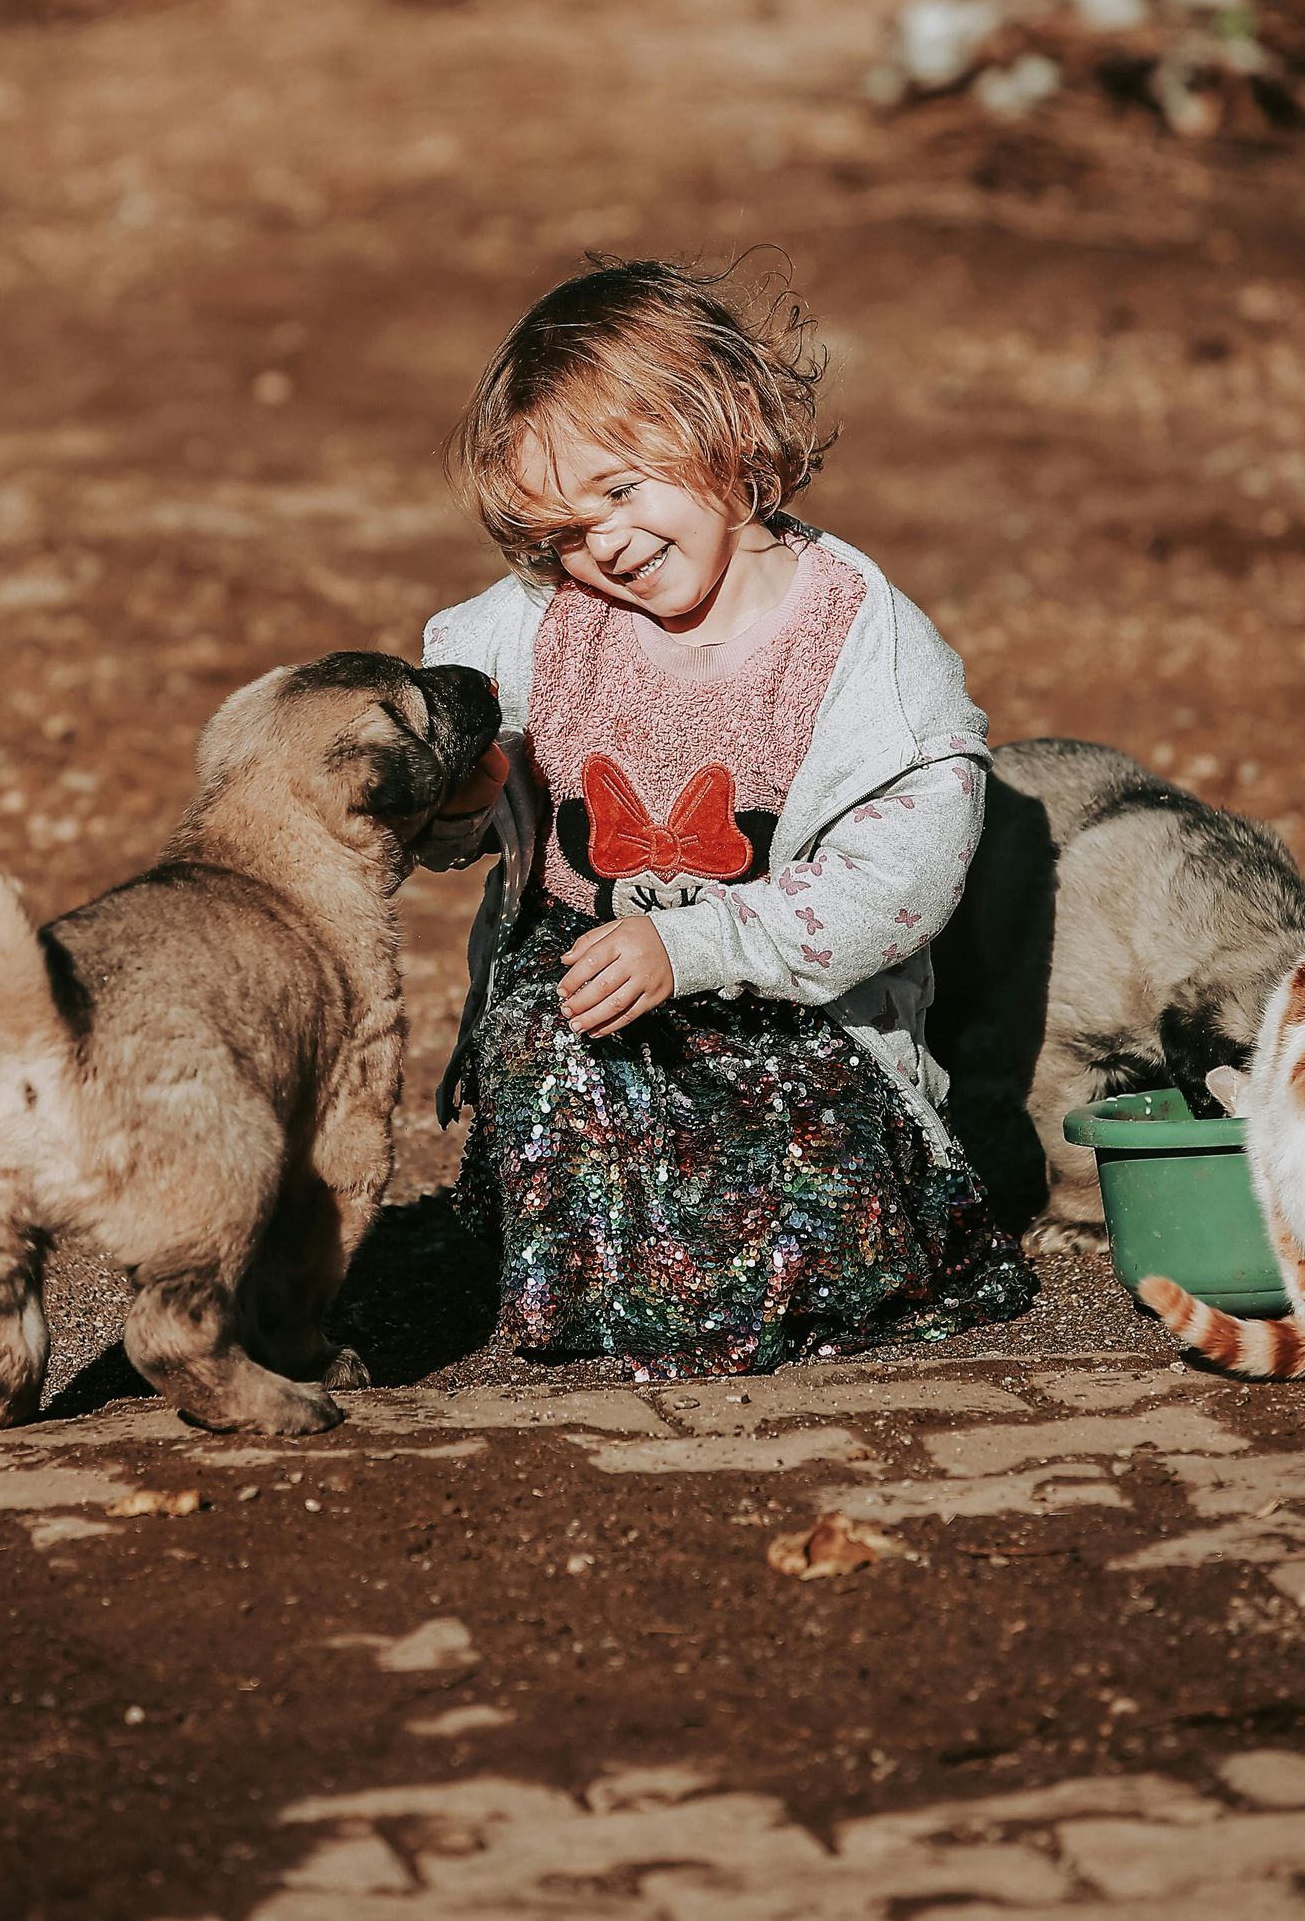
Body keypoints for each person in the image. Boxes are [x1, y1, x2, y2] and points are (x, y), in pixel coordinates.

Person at [417, 257, 1035, 1380]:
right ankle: (597, 1273)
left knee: (811, 1164)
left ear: (730, 430)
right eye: (562, 528)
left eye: (618, 489)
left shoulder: (862, 642)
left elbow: (911, 860)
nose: (599, 544)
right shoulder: (549, 621)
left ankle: (715, 1272)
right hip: (596, 976)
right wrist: (462, 789)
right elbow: (451, 724)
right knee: (552, 1036)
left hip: (795, 1005)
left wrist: (700, 944)